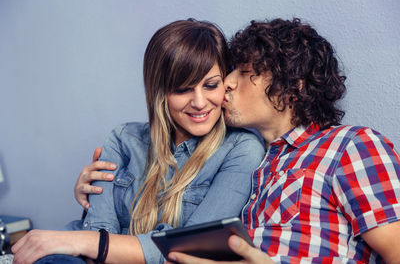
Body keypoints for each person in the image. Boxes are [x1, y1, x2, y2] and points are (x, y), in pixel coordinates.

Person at [78, 18, 400, 263]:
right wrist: (96, 193)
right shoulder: (257, 166)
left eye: (245, 72)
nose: (227, 84)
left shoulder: (349, 147)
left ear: (293, 88)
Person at [10, 19, 265, 264]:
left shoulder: (241, 150)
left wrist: (86, 242)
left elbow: (188, 252)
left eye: (210, 85)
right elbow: (97, 230)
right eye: (182, 89)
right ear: (159, 91)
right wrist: (85, 242)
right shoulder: (123, 139)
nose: (199, 102)